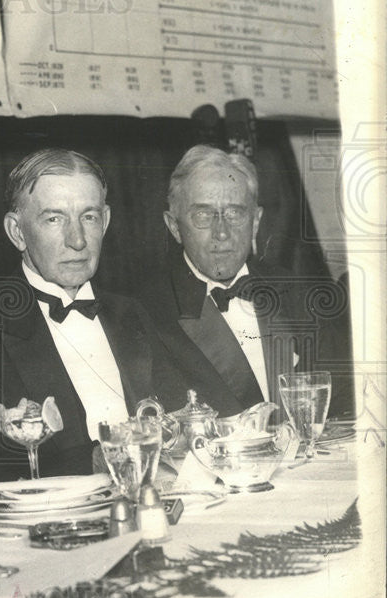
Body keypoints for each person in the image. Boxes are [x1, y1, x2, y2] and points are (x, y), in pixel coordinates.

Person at [0, 149, 183, 499]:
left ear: (107, 221)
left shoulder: (133, 314)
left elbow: (173, 422)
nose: (78, 240)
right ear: (17, 232)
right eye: (54, 219)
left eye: (89, 217)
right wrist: (98, 461)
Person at [138, 144, 353, 418]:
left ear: (255, 222)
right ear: (174, 226)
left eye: (234, 213)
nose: (222, 233)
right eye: (203, 215)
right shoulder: (144, 313)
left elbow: (346, 399)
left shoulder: (302, 293)